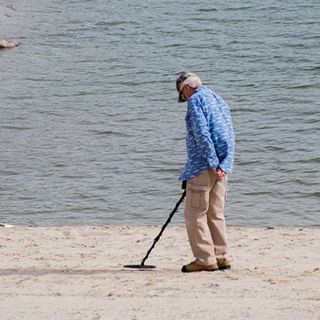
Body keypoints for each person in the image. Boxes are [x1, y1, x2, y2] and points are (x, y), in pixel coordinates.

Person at [176, 71, 235, 273]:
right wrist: (224, 165)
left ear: (186, 88)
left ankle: (204, 259)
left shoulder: (195, 101)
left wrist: (211, 163)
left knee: (195, 213)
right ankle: (222, 257)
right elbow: (229, 133)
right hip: (221, 166)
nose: (185, 100)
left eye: (182, 96)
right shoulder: (218, 99)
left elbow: (202, 134)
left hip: (203, 165)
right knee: (215, 212)